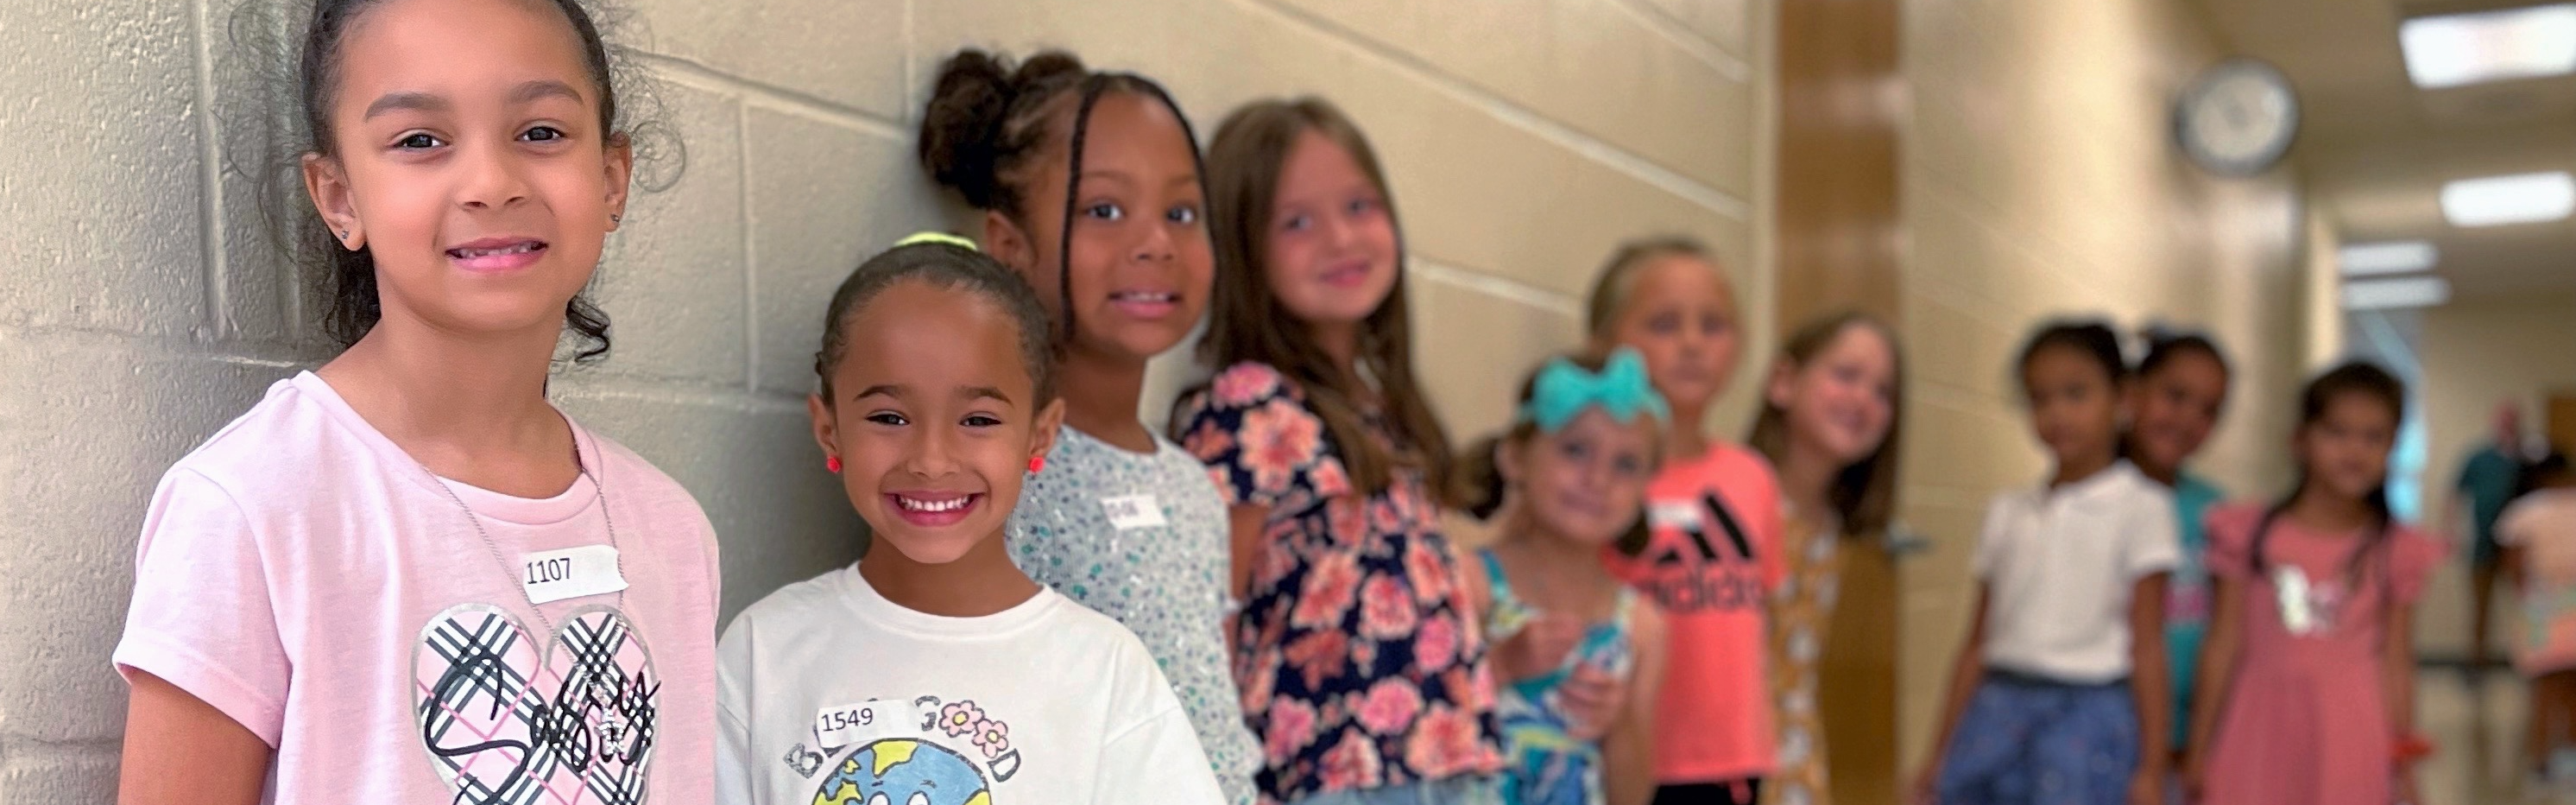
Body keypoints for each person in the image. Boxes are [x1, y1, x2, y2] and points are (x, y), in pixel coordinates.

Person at [112, 0, 722, 801]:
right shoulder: (250, 509)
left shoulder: (670, 528)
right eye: (420, 142)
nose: (491, 183)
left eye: (540, 132)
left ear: (611, 178)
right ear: (339, 198)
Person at [715, 235, 1225, 804]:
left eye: (978, 420)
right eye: (890, 416)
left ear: (1041, 432)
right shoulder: (765, 651)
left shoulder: (1104, 671)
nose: (932, 459)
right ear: (829, 427)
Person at [915, 48, 1260, 803]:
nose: (1155, 242)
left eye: (1181, 212)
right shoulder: (989, 478)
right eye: (1104, 210)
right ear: (1008, 245)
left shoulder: (1192, 486)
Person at [1172, 96, 1506, 805]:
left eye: (1359, 206)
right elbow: (1211, 616)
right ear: (1243, 248)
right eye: (1297, 221)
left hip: (1451, 760)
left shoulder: (1380, 407)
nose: (1340, 238)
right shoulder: (1248, 405)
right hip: (1335, 777)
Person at [1915, 321, 2175, 805]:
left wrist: (2152, 769)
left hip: (2090, 715)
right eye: (2040, 398)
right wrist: (1939, 755)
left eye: (2076, 394)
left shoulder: (2143, 508)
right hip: (1998, 708)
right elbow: (1976, 642)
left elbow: (2148, 645)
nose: (2057, 413)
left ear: (2124, 399)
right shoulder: (2007, 512)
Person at [2183, 363, 2443, 805]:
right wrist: (2199, 749)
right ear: (2300, 440)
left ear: (2394, 446)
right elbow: (2223, 643)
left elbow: (2396, 659)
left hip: (2352, 729)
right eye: (2337, 432)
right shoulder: (2248, 532)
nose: (2354, 451)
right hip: (2258, 723)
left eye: (2373, 436)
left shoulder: (2394, 549)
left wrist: (2402, 760)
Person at [1586, 237, 1782, 805]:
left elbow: (1757, 617)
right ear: (1606, 345)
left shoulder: (1753, 478)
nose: (1693, 344)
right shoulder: (1601, 481)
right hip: (1629, 755)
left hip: (1732, 762)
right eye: (1665, 324)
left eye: (1713, 325)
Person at [1452, 349, 1676, 805]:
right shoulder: (1471, 583)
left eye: (1626, 464)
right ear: (1515, 457)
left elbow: (1632, 796)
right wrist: (1500, 667)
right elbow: (1414, 734)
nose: (1598, 478)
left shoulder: (1641, 627)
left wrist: (1620, 724)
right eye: (1575, 450)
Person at [1742, 312, 1904, 805]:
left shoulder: (1832, 524)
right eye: (1846, 375)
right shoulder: (1740, 502)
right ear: (1784, 382)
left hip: (1795, 756)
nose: (1863, 400)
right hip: (1725, 755)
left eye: (1882, 391)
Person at [2119, 328, 2232, 773]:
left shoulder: (2215, 513)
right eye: (2175, 395)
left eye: (2208, 410)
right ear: (2131, 393)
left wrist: (2203, 744)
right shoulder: (2090, 500)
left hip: (2185, 740)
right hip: (2102, 730)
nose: (2188, 419)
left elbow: (2225, 636)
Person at [2499, 452, 2576, 780]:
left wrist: (2528, 602)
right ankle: (2570, 753)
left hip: (2541, 608)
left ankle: (2541, 757)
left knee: (2543, 689)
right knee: (2572, 688)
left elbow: (2513, 566)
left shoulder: (2525, 511)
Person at [2456, 402, 2529, 669]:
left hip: (2519, 548)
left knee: (2527, 608)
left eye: (2512, 420)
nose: (2507, 425)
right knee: (2480, 610)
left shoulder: (2528, 458)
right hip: (2483, 545)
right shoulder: (2479, 458)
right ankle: (2477, 664)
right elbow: (2456, 494)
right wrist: (2452, 532)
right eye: (2503, 420)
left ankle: (2530, 662)